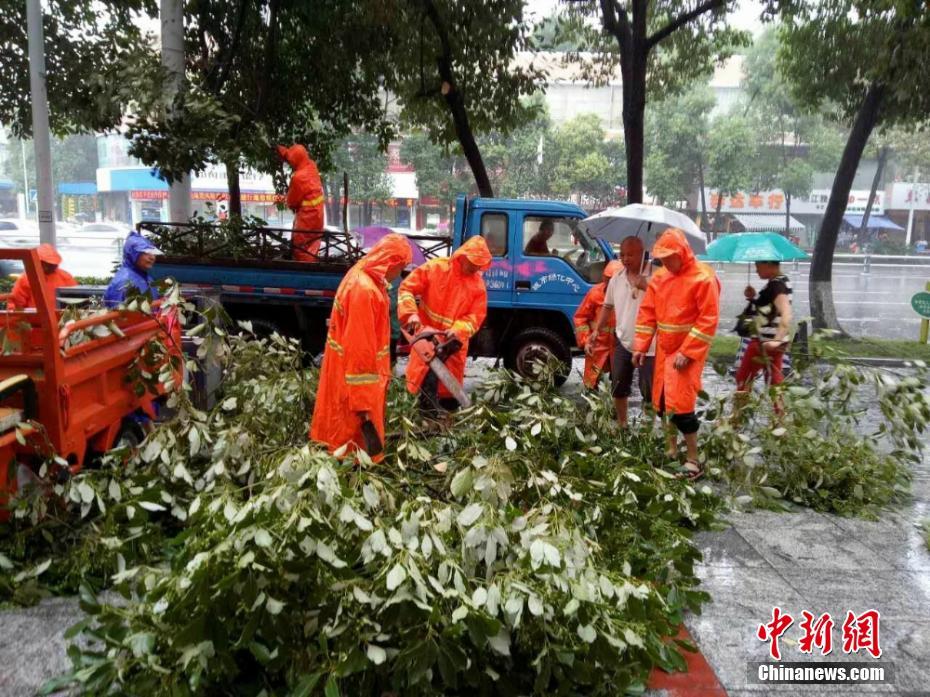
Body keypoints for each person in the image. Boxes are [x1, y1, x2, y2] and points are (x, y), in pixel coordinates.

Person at [309, 234, 412, 461]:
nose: (400, 275)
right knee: (350, 440)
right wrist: (363, 404)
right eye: (401, 268)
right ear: (391, 263)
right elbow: (360, 352)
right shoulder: (364, 291)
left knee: (341, 433)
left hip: (348, 376)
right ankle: (351, 475)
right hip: (355, 383)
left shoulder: (364, 276)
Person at [632, 228, 720, 480]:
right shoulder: (660, 278)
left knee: (681, 406)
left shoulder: (704, 278)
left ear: (682, 252)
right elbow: (647, 314)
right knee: (661, 403)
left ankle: (693, 460)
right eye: (663, 258)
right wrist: (640, 346)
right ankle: (671, 450)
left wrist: (689, 350)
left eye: (670, 257)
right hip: (664, 350)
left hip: (686, 354)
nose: (667, 262)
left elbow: (708, 319)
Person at [398, 236, 491, 412]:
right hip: (425, 340)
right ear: (462, 256)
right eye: (473, 263)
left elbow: (475, 318)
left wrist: (458, 330)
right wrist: (410, 315)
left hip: (452, 346)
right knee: (419, 388)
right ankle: (422, 420)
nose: (475, 268)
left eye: (479, 265)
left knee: (449, 395)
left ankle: (444, 422)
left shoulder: (478, 287)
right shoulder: (436, 268)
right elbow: (407, 288)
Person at [589, 236, 656, 427]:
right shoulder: (616, 278)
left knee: (648, 391)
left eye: (631, 255)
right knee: (618, 386)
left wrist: (648, 287)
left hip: (649, 346)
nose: (626, 259)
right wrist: (596, 331)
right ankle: (622, 424)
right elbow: (607, 306)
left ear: (643, 253)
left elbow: (668, 305)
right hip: (623, 341)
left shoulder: (656, 275)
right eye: (623, 254)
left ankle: (647, 429)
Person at [734, 260, 793, 413]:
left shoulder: (776, 285)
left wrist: (776, 340)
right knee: (774, 382)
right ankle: (780, 423)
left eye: (758, 267)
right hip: (773, 342)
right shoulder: (780, 281)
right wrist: (753, 298)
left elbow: (786, 313)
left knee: (743, 379)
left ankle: (736, 419)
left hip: (764, 342)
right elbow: (770, 310)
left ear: (769, 265)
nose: (756, 271)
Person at [574, 260, 623, 389]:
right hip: (597, 345)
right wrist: (586, 340)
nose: (609, 283)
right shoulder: (595, 293)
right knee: (592, 384)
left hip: (618, 346)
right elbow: (580, 318)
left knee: (618, 386)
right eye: (607, 279)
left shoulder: (628, 295)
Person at [277, 144, 325, 262]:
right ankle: (310, 264)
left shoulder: (298, 178)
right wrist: (282, 151)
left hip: (307, 218)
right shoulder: (311, 166)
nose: (290, 163)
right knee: (313, 244)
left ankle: (305, 270)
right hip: (318, 214)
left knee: (301, 247)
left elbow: (292, 202)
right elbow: (295, 155)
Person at [7, 244, 76, 310]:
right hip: (34, 320)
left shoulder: (65, 277)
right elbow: (16, 303)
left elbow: (76, 300)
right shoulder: (26, 278)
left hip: (61, 320)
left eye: (51, 265)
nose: (48, 267)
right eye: (45, 264)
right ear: (37, 262)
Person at [104, 231, 163, 307]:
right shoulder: (124, 282)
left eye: (152, 253)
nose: (152, 257)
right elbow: (118, 315)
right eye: (145, 252)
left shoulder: (146, 278)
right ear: (133, 254)